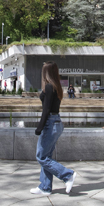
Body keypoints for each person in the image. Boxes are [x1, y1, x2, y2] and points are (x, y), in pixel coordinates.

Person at [31, 62, 76, 196]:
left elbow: (46, 110)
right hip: (55, 122)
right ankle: (45, 187)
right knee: (47, 156)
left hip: (50, 123)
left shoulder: (49, 87)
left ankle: (67, 175)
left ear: (46, 73)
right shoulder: (56, 87)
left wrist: (39, 127)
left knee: (41, 157)